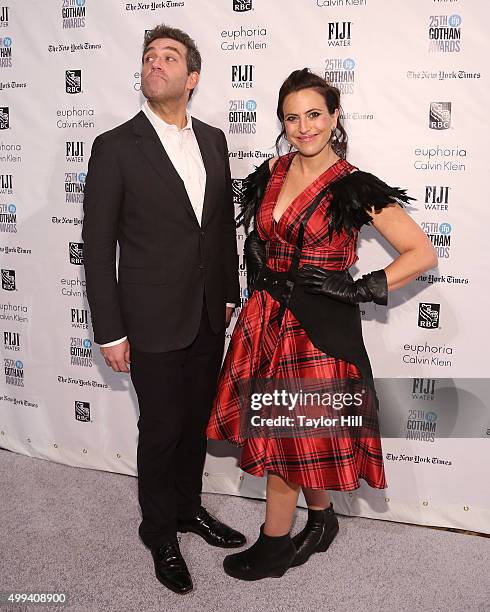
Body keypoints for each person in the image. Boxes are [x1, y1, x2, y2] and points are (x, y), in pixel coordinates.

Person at [206, 68, 437, 581]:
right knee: (297, 431)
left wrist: (359, 288)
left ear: (335, 117)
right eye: (293, 117)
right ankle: (323, 519)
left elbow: (421, 252)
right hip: (266, 315)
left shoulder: (355, 188)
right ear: (282, 123)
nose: (304, 126)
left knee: (290, 435)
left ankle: (273, 547)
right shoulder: (273, 171)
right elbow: (256, 230)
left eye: (314, 114)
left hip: (316, 326)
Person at [82, 24, 245, 595]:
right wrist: (109, 329)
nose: (156, 63)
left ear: (191, 78)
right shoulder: (114, 146)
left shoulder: (215, 140)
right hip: (148, 318)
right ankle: (159, 533)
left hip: (207, 315)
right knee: (160, 431)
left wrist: (226, 294)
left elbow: (221, 229)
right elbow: (98, 247)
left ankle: (187, 509)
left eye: (169, 56)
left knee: (196, 425)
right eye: (149, 56)